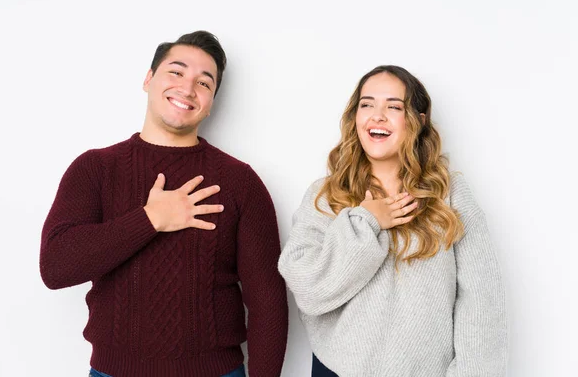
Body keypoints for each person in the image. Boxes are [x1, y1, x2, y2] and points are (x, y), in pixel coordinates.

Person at [40, 30, 289, 377]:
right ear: (148, 79)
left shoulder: (239, 182)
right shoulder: (95, 169)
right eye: (176, 72)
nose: (188, 89)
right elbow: (55, 267)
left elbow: (268, 302)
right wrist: (150, 219)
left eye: (204, 83)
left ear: (212, 99)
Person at [278, 65, 507, 376]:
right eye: (367, 104)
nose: (378, 116)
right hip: (337, 371)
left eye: (394, 107)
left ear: (418, 120)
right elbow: (307, 288)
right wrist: (365, 222)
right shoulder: (326, 195)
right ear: (355, 117)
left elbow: (481, 300)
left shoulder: (448, 194)